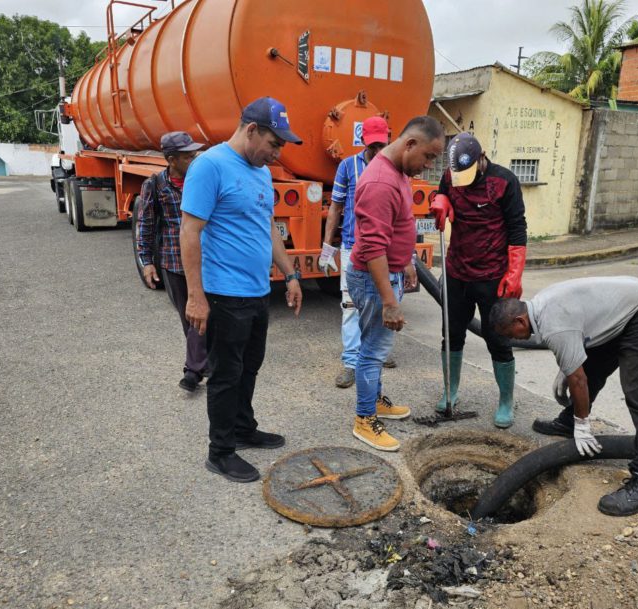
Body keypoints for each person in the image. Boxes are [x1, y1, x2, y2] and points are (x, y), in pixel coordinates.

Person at [180, 97, 304, 483]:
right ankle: (220, 452)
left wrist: (291, 274)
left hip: (256, 292)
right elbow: (190, 231)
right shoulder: (210, 166)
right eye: (274, 143)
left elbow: (268, 228)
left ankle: (242, 428)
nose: (277, 153)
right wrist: (195, 296)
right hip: (223, 294)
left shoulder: (261, 172)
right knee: (225, 375)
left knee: (249, 366)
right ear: (251, 130)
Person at [490, 277, 638, 516]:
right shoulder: (540, 305)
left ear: (520, 320)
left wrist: (584, 426)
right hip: (629, 313)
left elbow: (577, 378)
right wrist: (568, 366)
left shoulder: (554, 324)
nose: (514, 339)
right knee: (593, 367)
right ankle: (570, 420)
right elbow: (578, 343)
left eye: (512, 333)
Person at [346, 116, 445, 452]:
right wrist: (389, 301)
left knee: (376, 347)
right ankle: (363, 418)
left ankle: (374, 401)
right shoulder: (380, 183)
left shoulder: (398, 172)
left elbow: (394, 230)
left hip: (389, 273)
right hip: (375, 279)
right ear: (410, 144)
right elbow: (373, 247)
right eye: (428, 157)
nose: (428, 166)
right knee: (373, 351)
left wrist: (405, 263)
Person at [430, 132, 527, 428]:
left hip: (492, 275)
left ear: (481, 158)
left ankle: (506, 402)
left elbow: (517, 228)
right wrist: (440, 199)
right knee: (452, 335)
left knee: (498, 339)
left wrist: (514, 273)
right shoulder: (451, 176)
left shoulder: (505, 182)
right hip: (457, 271)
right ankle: (451, 392)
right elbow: (439, 191)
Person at [319, 116, 391, 388]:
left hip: (384, 249)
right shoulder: (347, 167)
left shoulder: (394, 168)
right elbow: (336, 207)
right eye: (372, 146)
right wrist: (328, 248)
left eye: (382, 145)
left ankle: (376, 353)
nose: (377, 152)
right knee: (351, 304)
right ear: (364, 142)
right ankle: (351, 361)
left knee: (383, 300)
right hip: (353, 246)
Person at [134, 131, 207, 392]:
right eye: (188, 157)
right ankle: (201, 363)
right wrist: (147, 261)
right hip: (174, 262)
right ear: (171, 159)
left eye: (195, 155)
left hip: (205, 260)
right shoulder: (154, 185)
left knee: (206, 312)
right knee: (188, 317)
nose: (194, 160)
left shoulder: (203, 180)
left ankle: (193, 370)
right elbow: (146, 224)